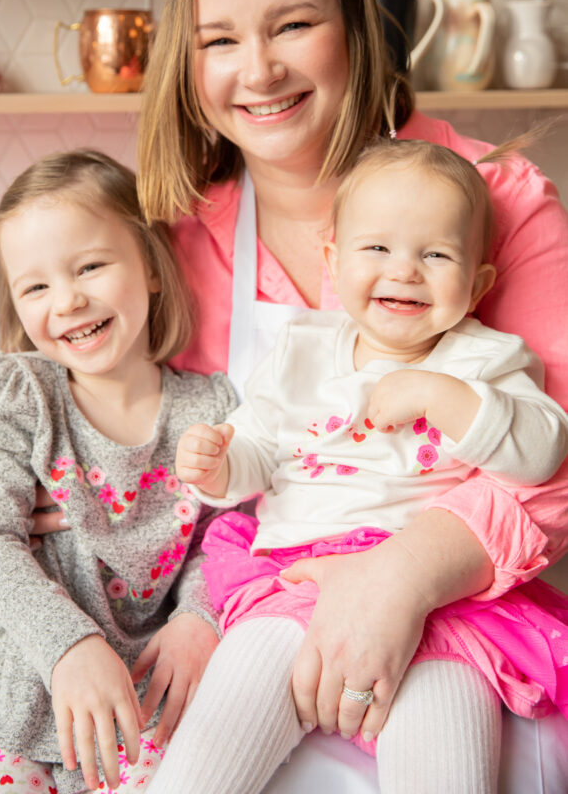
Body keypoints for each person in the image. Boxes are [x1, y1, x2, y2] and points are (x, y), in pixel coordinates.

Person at [130, 0, 568, 790]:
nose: (256, 71)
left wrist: (398, 580)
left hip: (463, 613)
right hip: (272, 602)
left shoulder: (498, 200)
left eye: (291, 25)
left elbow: (553, 464)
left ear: (356, 30)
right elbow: (179, 459)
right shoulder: (179, 239)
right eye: (219, 40)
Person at [150, 137, 568, 794]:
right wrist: (221, 464)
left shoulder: (482, 360)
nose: (403, 271)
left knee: (446, 751)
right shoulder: (302, 352)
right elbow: (262, 451)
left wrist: (449, 399)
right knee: (213, 740)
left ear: (478, 282)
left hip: (445, 604)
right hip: (294, 578)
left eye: (434, 254)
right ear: (332, 261)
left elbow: (544, 450)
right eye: (376, 249)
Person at [0, 149, 236, 794]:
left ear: (150, 267)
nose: (68, 300)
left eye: (90, 266)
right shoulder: (17, 394)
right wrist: (68, 647)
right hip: (11, 666)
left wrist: (197, 616)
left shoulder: (211, 409)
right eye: (35, 286)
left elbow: (224, 537)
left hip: (136, 678)